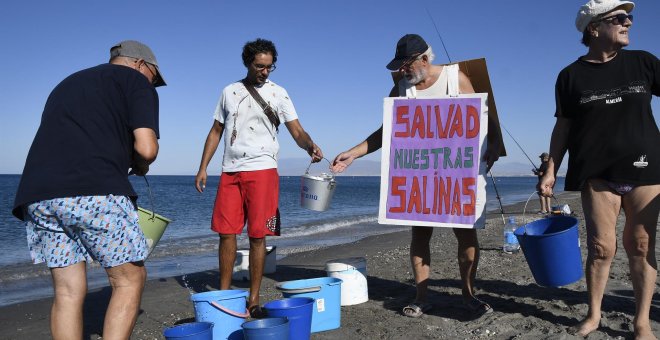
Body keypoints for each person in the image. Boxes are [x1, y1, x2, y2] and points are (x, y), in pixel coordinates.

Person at [331, 34, 505, 318]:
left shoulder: (455, 79)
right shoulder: (401, 89)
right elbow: (387, 131)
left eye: (406, 65)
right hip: (419, 177)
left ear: (424, 59)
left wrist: (494, 144)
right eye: (399, 66)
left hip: (455, 175)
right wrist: (354, 152)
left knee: (466, 234)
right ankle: (421, 296)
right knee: (419, 236)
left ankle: (469, 295)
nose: (402, 71)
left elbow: (483, 116)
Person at [11, 40, 165, 339]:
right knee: (129, 279)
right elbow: (147, 149)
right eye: (155, 79)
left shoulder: (67, 83)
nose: (153, 85)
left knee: (67, 291)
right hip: (96, 191)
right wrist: (141, 166)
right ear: (140, 64)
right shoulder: (136, 81)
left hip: (38, 195)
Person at [537, 1, 660, 338]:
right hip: (597, 173)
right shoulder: (570, 76)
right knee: (601, 248)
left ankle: (642, 321)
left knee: (641, 245)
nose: (628, 23)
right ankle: (593, 315)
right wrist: (551, 170)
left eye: (629, 17)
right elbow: (563, 127)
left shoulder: (644, 62)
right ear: (594, 28)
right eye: (619, 18)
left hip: (646, 170)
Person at [195, 38, 323, 318]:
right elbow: (216, 130)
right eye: (259, 66)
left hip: (263, 170)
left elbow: (297, 130)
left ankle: (253, 298)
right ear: (247, 63)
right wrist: (203, 166)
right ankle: (225, 292)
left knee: (257, 234)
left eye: (269, 67)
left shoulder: (279, 93)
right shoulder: (230, 91)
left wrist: (310, 145)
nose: (265, 72)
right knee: (226, 232)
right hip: (230, 170)